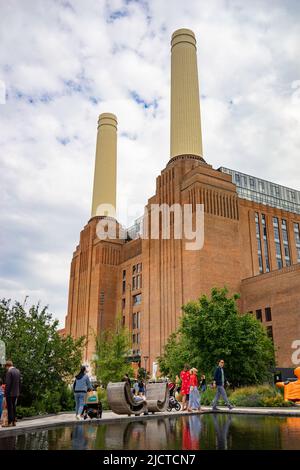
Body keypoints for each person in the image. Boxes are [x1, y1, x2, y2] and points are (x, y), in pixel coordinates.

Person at [3, 360, 21, 427]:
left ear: (7, 366)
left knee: (10, 407)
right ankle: (14, 422)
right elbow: (19, 383)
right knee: (14, 407)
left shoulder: (9, 372)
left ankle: (9, 422)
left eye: (6, 367)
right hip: (16, 393)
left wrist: (5, 394)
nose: (6, 368)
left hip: (9, 393)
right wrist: (18, 392)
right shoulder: (18, 371)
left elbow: (8, 384)